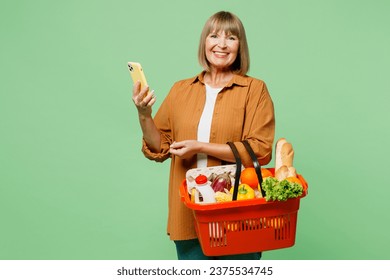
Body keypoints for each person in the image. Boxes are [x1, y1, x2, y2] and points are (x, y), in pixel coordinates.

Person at [132, 11, 275, 260]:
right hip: (189, 215)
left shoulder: (254, 90)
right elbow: (159, 148)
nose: (221, 44)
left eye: (231, 37)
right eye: (214, 35)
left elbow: (260, 150)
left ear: (240, 46)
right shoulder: (180, 90)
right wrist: (144, 114)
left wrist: (201, 146)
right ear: (204, 42)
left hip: (236, 212)